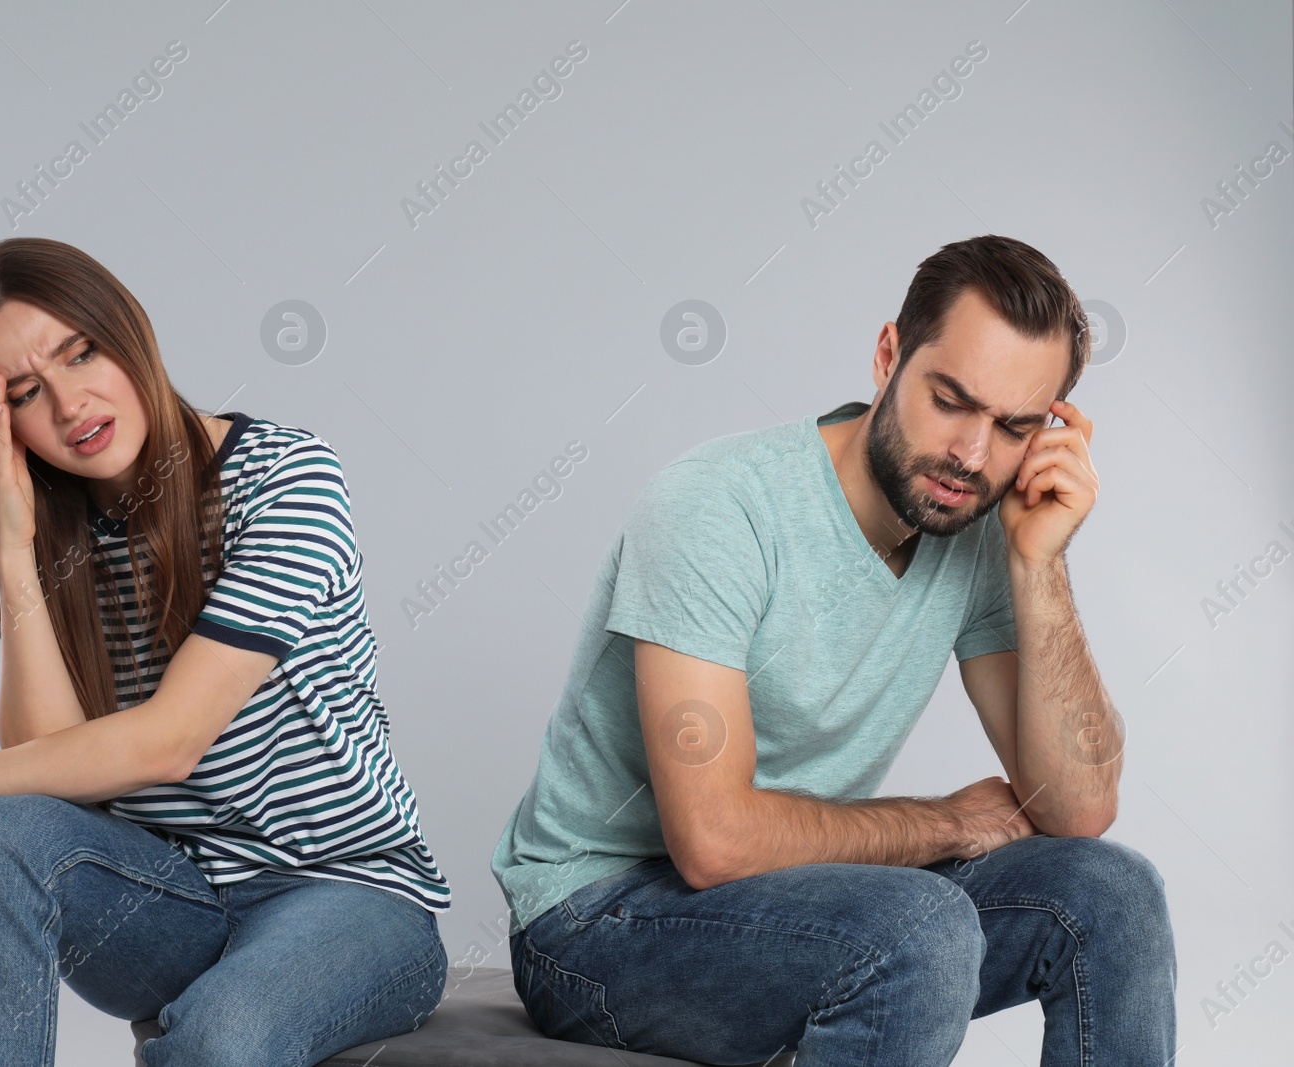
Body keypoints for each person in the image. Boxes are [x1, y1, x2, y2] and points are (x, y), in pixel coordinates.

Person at [489, 234, 1176, 1065]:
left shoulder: (978, 530)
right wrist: (947, 821)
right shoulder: (719, 506)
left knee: (1112, 893)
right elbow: (713, 840)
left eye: (1011, 427)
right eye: (951, 400)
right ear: (888, 355)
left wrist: (1041, 560)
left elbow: (1076, 809)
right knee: (919, 929)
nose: (970, 454)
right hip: (596, 918)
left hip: (798, 896)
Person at [0, 236, 450, 1066]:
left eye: (82, 353)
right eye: (29, 391)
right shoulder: (60, 542)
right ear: (1, 427)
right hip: (170, 903)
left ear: (127, 331)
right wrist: (13, 545)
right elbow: (52, 777)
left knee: (219, 1037)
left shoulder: (288, 481)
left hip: (348, 895)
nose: (71, 405)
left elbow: (169, 742)